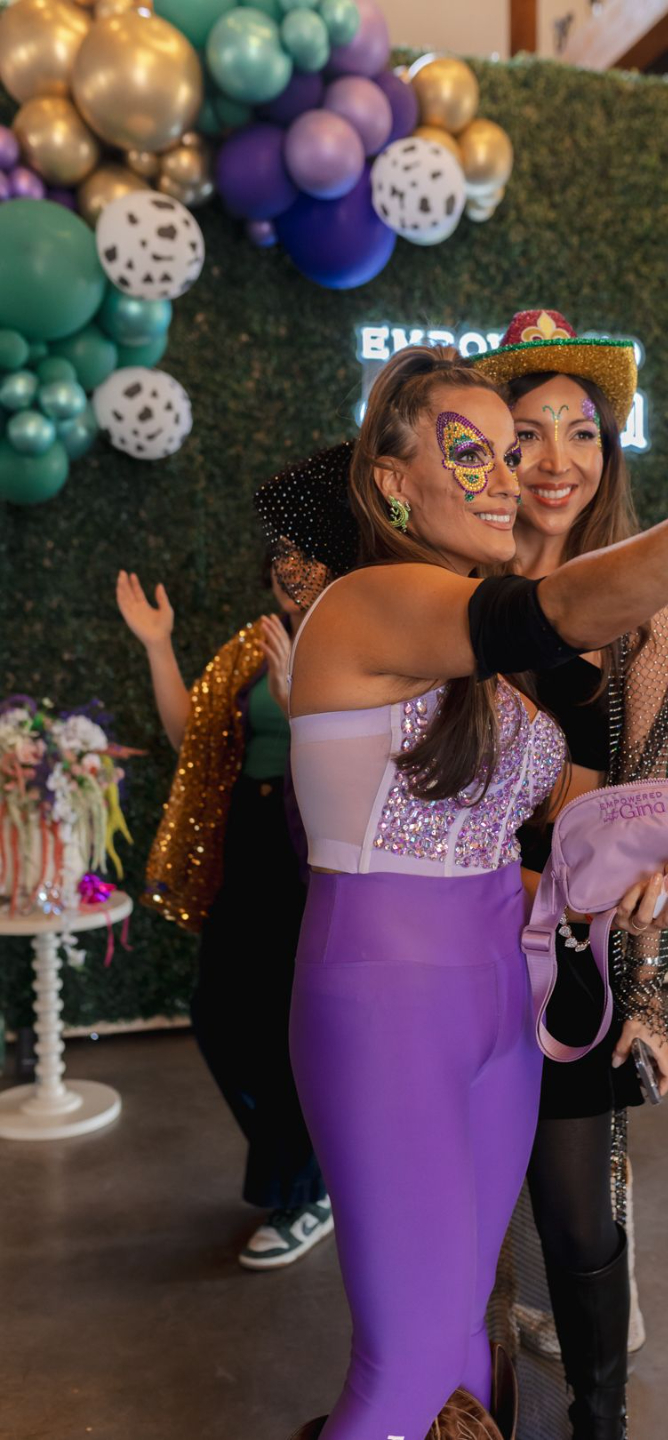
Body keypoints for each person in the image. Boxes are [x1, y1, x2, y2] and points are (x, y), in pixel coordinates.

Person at [262, 340, 668, 1440]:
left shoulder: (475, 663)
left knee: (463, 1341)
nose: (505, 478)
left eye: (509, 453)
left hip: (503, 1002)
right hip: (391, 1012)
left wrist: (645, 867)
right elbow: (556, 613)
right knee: (404, 1368)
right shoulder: (366, 605)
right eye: (472, 452)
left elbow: (546, 821)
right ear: (392, 480)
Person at [473, 309, 668, 1439]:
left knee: (575, 1215)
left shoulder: (648, 611)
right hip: (447, 934)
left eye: (583, 433)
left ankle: (598, 1422)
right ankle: (468, 1409)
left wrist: (646, 992)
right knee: (461, 1214)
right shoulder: (443, 594)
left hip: (570, 954)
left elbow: (648, 822)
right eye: (528, 433)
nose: (557, 460)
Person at [116, 446, 355, 1270]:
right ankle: (308, 1174)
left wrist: (301, 703)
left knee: (296, 1026)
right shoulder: (253, 646)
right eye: (282, 560)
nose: (292, 573)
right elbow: (191, 739)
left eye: (307, 559)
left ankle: (304, 1191)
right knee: (220, 1015)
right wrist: (158, 645)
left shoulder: (359, 643)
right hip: (249, 845)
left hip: (316, 850)